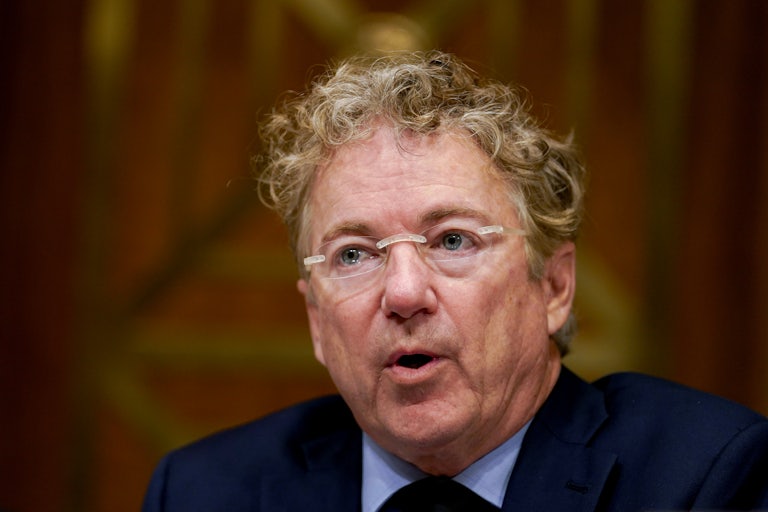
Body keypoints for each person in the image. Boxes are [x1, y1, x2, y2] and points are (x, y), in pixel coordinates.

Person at [142, 51, 768, 511]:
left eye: (452, 241)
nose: (405, 294)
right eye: (355, 254)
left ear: (553, 287)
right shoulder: (203, 492)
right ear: (314, 319)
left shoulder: (707, 478)